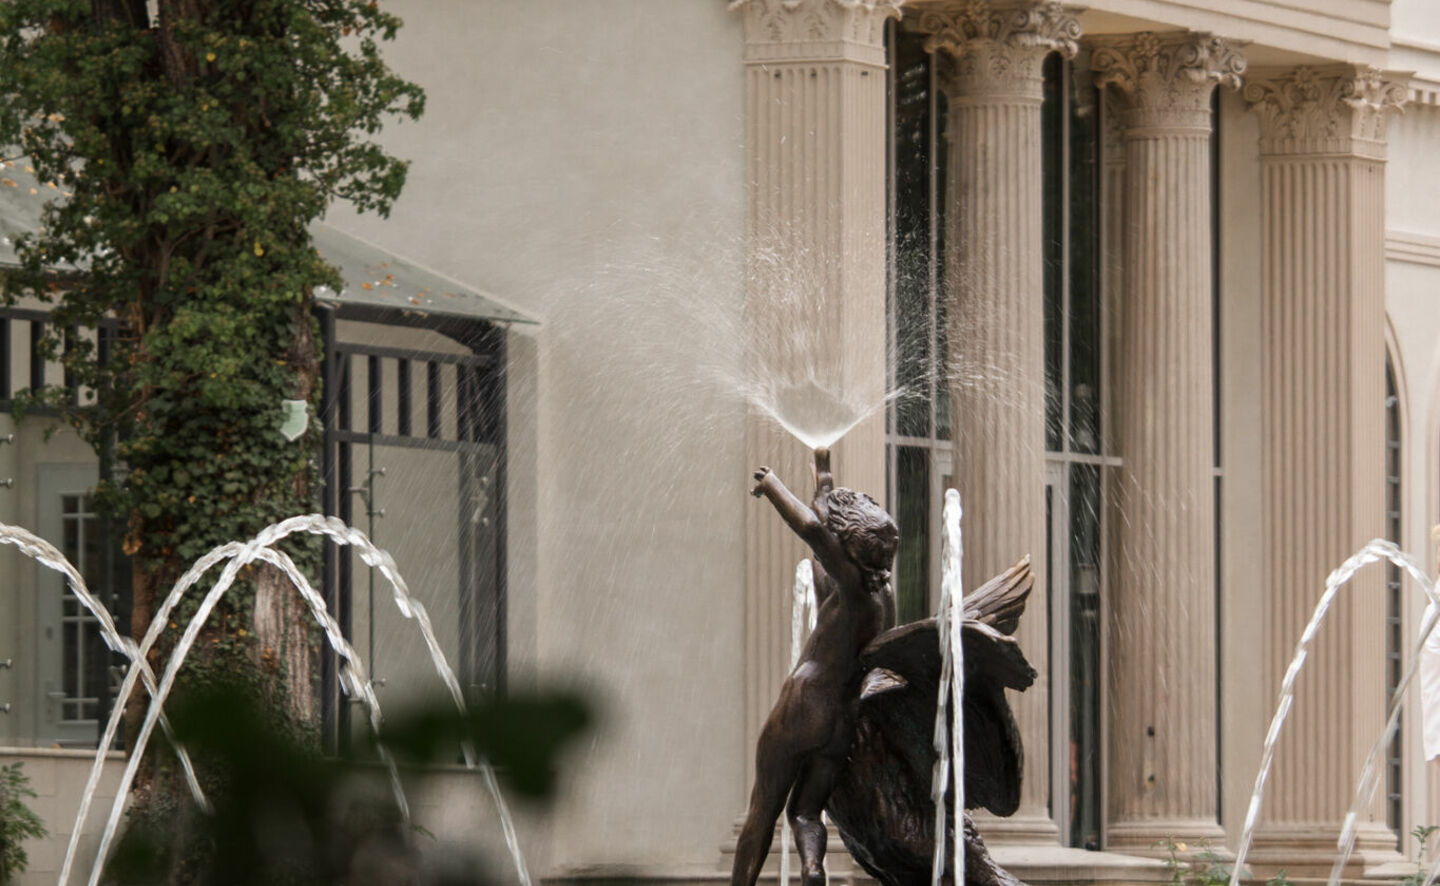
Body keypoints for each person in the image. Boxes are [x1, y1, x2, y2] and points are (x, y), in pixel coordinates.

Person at [732, 447, 899, 886]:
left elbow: (811, 528)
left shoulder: (852, 588)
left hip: (804, 704)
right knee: (806, 810)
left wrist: (773, 487)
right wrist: (823, 479)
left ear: (850, 548)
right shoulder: (877, 596)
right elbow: (826, 543)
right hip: (839, 720)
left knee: (762, 810)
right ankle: (811, 869)